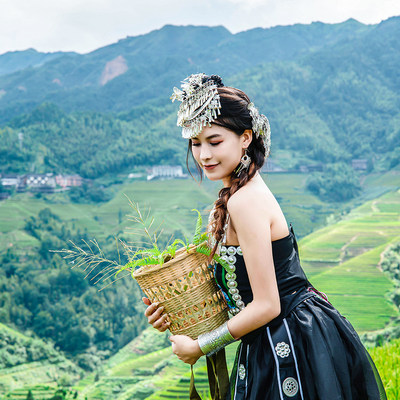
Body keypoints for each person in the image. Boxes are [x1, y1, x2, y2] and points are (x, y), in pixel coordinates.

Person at [143, 73, 387, 399]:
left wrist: (200, 346)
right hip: (277, 337)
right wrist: (172, 314)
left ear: (245, 138)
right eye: (195, 143)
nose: (203, 155)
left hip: (289, 339)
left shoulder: (245, 201)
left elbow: (268, 305)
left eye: (214, 142)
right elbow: (230, 291)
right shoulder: (236, 195)